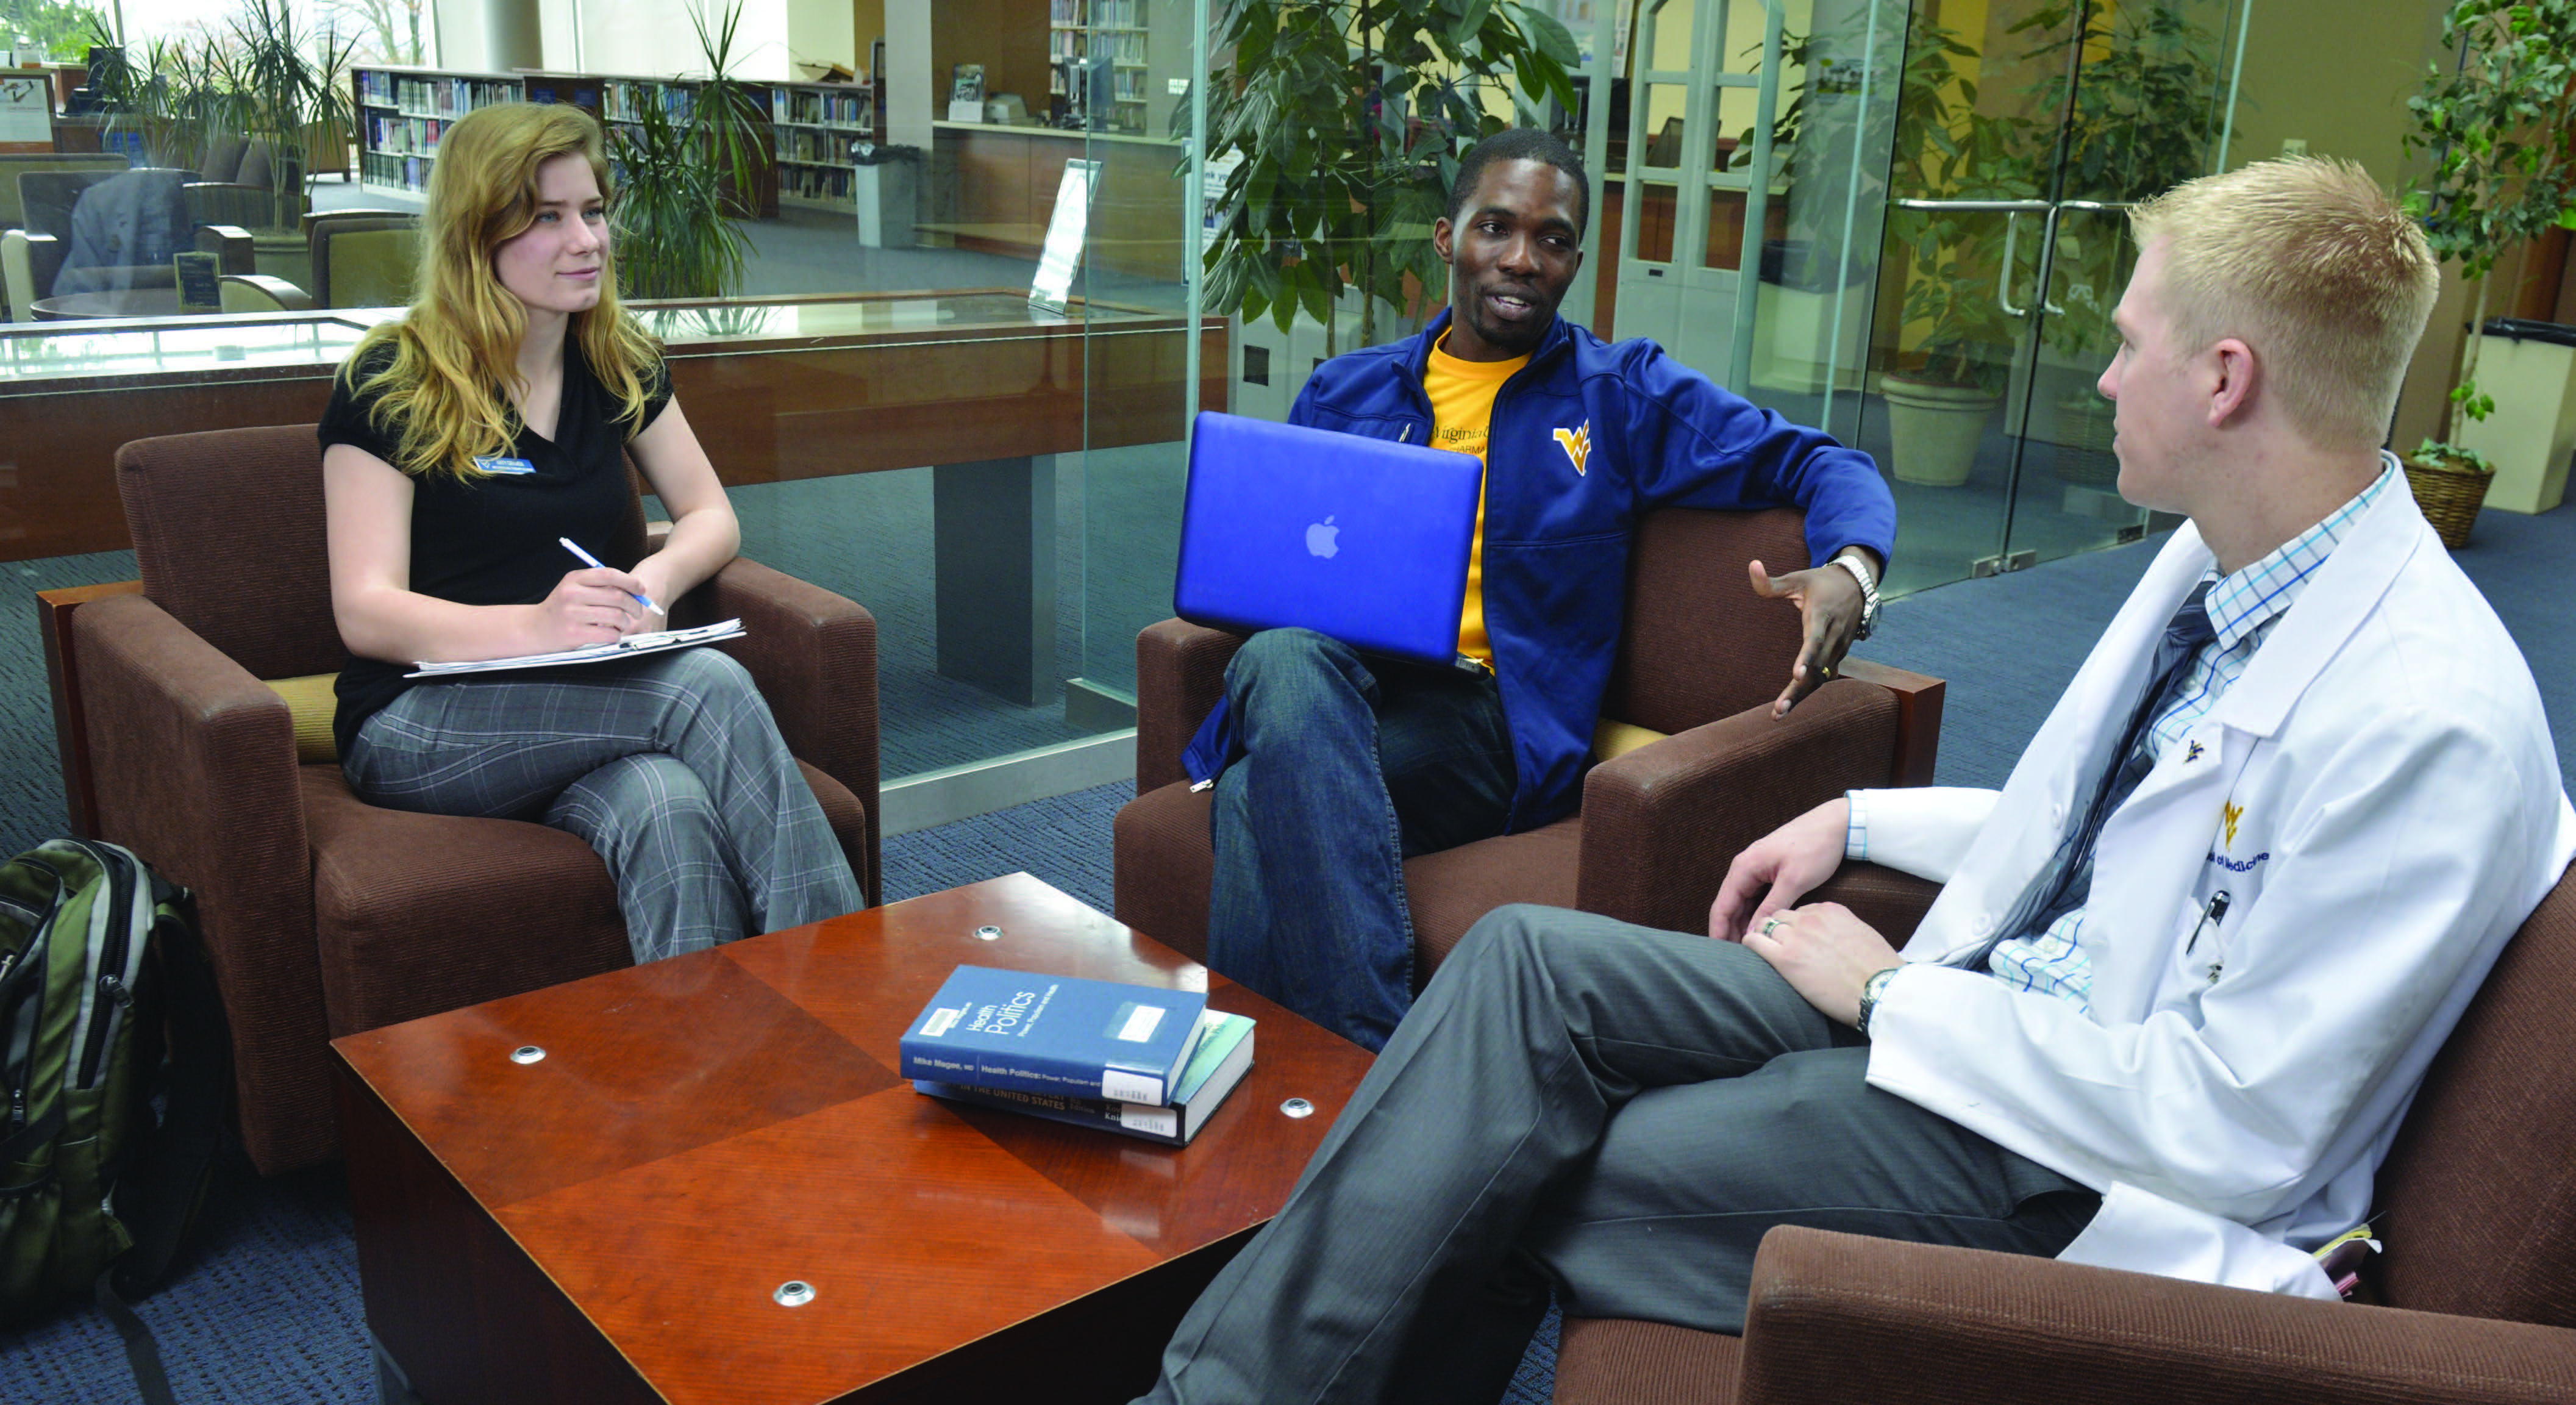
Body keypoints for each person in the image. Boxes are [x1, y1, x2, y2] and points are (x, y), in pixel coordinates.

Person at [1132, 155, 2574, 1404]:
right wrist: (1860, 814)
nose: (2100, 376)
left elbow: (2238, 1135)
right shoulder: (2223, 556)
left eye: (2129, 344)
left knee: (1522, 1154)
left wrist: (1890, 995)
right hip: (1984, 1004)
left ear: (2226, 379)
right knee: (1519, 969)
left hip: (2056, 1158)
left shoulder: (2424, 723)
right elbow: (2111, 831)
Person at [1191, 128, 1897, 1051]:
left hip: (1491, 726)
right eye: (1497, 228)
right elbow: (1278, 570)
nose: (1523, 259)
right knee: (1279, 674)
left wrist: (1853, 570)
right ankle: (1356, 1085)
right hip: (1344, 689)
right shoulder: (1345, 392)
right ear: (1448, 240)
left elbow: (1822, 460)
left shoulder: (1619, 393)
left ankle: (1343, 1062)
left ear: (1572, 258)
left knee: (1258, 780)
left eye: (1553, 239)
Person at [318, 102, 861, 963]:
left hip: (584, 704)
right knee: (704, 686)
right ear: (476, 234)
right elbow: (365, 609)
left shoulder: (615, 358)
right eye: (548, 218)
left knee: (666, 805)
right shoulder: (394, 378)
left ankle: (716, 1086)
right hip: (421, 720)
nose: (589, 241)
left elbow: (712, 515)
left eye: (594, 211)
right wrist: (536, 627)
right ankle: (851, 989)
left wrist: (651, 587)